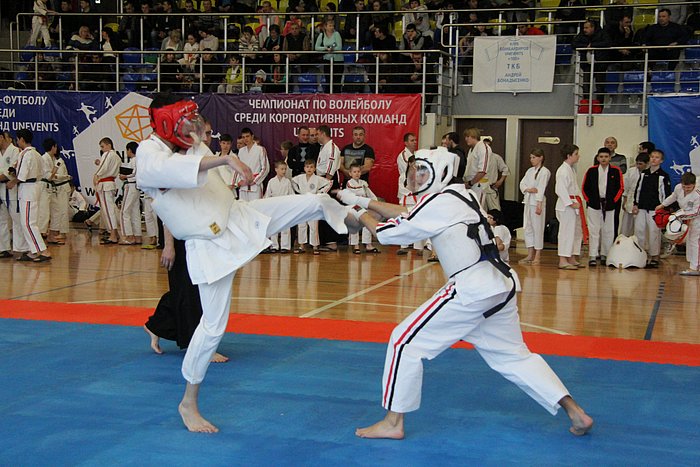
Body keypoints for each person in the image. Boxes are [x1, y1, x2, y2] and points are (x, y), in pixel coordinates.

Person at [339, 147, 593, 440]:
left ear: (440, 174)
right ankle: (575, 411)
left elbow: (385, 233)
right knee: (515, 357)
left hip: (472, 288)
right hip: (500, 285)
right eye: (414, 171)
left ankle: (394, 423)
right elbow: (410, 212)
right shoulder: (462, 195)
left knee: (402, 341)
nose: (415, 177)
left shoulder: (440, 203)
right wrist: (362, 199)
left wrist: (359, 213)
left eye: (422, 171)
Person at [136, 95, 355, 433]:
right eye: (184, 122)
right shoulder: (149, 154)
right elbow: (169, 173)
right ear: (166, 122)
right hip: (209, 244)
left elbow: (206, 161)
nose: (191, 128)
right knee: (212, 328)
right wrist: (224, 159)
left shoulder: (193, 143)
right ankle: (188, 403)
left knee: (313, 201)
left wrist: (224, 159)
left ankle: (367, 223)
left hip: (238, 217)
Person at [9, 129, 51, 262]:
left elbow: (22, 175)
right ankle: (33, 251)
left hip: (27, 189)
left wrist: (12, 181)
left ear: (21, 139)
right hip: (35, 187)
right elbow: (44, 173)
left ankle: (43, 251)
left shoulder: (25, 154)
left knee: (28, 223)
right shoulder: (37, 154)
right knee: (29, 222)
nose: (17, 142)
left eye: (17, 139)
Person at [582, 147, 624, 267]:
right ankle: (593, 255)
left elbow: (620, 188)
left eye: (606, 157)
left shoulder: (616, 171)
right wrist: (589, 201)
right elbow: (585, 187)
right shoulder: (591, 171)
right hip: (594, 204)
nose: (603, 159)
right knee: (594, 230)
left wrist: (614, 201)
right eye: (601, 157)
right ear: (597, 158)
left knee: (608, 230)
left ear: (610, 158)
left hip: (610, 204)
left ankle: (606, 254)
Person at [633, 149, 671, 268]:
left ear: (661, 160)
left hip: (655, 208)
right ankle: (641, 255)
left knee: (654, 232)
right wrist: (635, 204)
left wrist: (663, 207)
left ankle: (654, 257)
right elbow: (638, 190)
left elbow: (666, 194)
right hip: (642, 207)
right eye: (652, 157)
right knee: (639, 231)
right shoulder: (644, 173)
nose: (654, 159)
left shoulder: (663, 176)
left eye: (657, 157)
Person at [656, 172, 700, 276]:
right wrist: (662, 205)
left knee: (695, 242)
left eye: (689, 187)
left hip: (697, 219)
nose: (686, 189)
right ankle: (692, 264)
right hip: (684, 216)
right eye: (684, 186)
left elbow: (696, 212)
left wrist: (678, 216)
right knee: (689, 241)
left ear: (694, 184)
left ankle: (695, 267)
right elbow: (673, 197)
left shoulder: (697, 194)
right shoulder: (678, 188)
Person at [292, 159, 331, 255]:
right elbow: (292, 181)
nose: (309, 169)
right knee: (301, 225)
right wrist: (298, 191)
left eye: (311, 167)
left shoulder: (317, 178)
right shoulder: (300, 178)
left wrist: (320, 193)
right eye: (307, 167)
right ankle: (302, 245)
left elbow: (329, 183)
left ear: (314, 169)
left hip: (313, 203)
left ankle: (315, 246)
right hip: (303, 203)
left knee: (313, 225)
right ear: (304, 168)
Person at [518, 148, 550, 265]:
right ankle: (530, 254)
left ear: (541, 157)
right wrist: (528, 189)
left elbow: (540, 189)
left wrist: (539, 204)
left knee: (538, 228)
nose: (532, 160)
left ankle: (538, 255)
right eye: (530, 157)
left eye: (534, 157)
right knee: (528, 227)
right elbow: (522, 183)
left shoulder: (544, 172)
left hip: (537, 202)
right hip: (528, 201)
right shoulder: (530, 171)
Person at [555, 144, 584, 270]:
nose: (578, 156)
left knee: (576, 231)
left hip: (574, 203)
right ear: (569, 155)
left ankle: (572, 257)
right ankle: (562, 259)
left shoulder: (571, 169)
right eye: (576, 154)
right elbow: (560, 189)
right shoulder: (562, 170)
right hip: (566, 205)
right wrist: (570, 203)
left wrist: (580, 199)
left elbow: (575, 187)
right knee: (566, 232)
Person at [396, 132, 424, 255]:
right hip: (406, 198)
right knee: (404, 221)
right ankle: (404, 245)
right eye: (412, 140)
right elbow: (403, 184)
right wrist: (411, 190)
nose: (414, 142)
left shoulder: (416, 155)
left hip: (416, 198)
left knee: (417, 221)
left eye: (415, 140)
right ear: (405, 142)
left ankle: (418, 246)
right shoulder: (403, 156)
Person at [345, 162, 379, 254]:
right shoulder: (349, 183)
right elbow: (356, 195)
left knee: (367, 224)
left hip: (364, 206)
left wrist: (374, 202)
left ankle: (367, 244)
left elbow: (370, 194)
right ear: (350, 173)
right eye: (354, 172)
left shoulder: (364, 183)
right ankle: (355, 245)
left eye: (358, 171)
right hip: (354, 207)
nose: (357, 173)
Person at [93, 137, 121, 245]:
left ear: (109, 145)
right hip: (111, 183)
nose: (102, 149)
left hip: (105, 185)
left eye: (102, 146)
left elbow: (103, 168)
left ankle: (113, 234)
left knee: (108, 211)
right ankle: (115, 233)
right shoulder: (117, 156)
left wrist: (96, 175)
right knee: (110, 210)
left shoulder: (108, 154)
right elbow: (107, 166)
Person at [264, 160, 295, 253]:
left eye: (285, 169)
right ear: (276, 169)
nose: (284, 171)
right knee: (274, 227)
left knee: (285, 227)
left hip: (285, 206)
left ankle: (285, 246)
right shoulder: (271, 182)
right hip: (274, 206)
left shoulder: (287, 182)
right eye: (282, 169)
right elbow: (267, 195)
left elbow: (291, 195)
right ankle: (274, 246)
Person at [46, 140, 71, 245]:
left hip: (63, 187)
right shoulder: (51, 160)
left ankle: (63, 232)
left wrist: (65, 177)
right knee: (57, 211)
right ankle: (57, 231)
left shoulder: (59, 161)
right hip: (57, 188)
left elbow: (57, 176)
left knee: (63, 210)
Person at [0, 132, 21, 258]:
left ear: (1, 137)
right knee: (1, 220)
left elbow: (11, 172)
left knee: (16, 219)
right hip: (0, 189)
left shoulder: (15, 151)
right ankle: (4, 248)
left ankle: (20, 248)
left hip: (11, 189)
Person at [236, 127, 270, 201]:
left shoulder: (260, 149)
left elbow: (265, 168)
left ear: (252, 136)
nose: (245, 139)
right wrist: (239, 182)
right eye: (243, 137)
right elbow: (237, 168)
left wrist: (254, 181)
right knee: (243, 209)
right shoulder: (241, 151)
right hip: (243, 186)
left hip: (255, 186)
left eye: (247, 136)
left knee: (256, 208)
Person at [620, 152, 649, 236]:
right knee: (626, 225)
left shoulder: (649, 173)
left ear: (647, 164)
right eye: (637, 163)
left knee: (641, 226)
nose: (638, 166)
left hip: (643, 201)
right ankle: (624, 242)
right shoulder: (631, 171)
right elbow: (626, 187)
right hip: (630, 199)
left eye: (641, 164)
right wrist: (624, 201)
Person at [119, 142, 141, 245]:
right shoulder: (138, 160)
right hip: (136, 187)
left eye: (127, 150)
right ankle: (138, 236)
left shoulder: (134, 160)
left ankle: (128, 236)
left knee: (124, 211)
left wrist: (124, 176)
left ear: (129, 150)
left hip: (131, 185)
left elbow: (134, 172)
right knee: (135, 212)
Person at [481, 136, 510, 211]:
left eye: (488, 146)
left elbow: (505, 170)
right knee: (481, 212)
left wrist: (500, 181)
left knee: (495, 212)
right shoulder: (478, 158)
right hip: (480, 189)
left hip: (492, 188)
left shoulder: (496, 158)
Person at [315, 19, 344, 92]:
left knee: (337, 81)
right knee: (328, 80)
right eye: (330, 26)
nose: (332, 27)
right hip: (327, 60)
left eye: (333, 26)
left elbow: (339, 47)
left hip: (338, 60)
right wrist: (325, 49)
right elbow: (316, 47)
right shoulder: (322, 35)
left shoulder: (336, 34)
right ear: (325, 26)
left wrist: (332, 49)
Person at [463, 128, 489, 205]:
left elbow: (483, 170)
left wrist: (471, 183)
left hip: (478, 184)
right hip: (470, 183)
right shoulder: (471, 149)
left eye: (468, 136)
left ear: (474, 136)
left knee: (478, 208)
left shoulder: (483, 147)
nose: (466, 139)